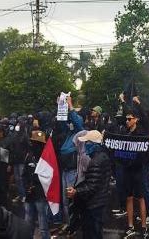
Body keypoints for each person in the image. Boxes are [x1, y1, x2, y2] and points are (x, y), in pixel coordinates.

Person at [66, 130, 111, 239]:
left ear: (94, 144)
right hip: (99, 201)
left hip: (94, 204)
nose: (85, 146)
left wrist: (76, 191)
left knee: (92, 233)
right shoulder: (102, 156)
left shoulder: (96, 161)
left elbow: (92, 186)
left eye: (87, 143)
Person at [119, 94, 149, 238]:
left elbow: (146, 120)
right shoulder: (125, 133)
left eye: (129, 119)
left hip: (139, 170)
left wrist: (138, 104)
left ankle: (144, 226)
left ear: (136, 120)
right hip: (127, 169)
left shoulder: (142, 132)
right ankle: (130, 226)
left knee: (141, 198)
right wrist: (123, 102)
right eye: (126, 119)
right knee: (129, 198)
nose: (127, 121)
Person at [58, 96, 84, 232]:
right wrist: (61, 106)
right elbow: (62, 123)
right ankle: (69, 223)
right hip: (65, 169)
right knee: (65, 200)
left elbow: (78, 125)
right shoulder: (68, 133)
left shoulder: (79, 135)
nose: (72, 123)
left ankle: (73, 225)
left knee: (71, 200)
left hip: (73, 170)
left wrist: (71, 106)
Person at [23, 130, 50, 239]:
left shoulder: (47, 159)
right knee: (28, 222)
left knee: (43, 224)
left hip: (41, 195)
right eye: (34, 142)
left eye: (39, 143)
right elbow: (23, 174)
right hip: (29, 195)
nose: (36, 145)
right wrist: (26, 187)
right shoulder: (29, 156)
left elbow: (49, 177)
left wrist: (37, 185)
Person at [9, 119, 30, 203]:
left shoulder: (25, 136)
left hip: (22, 161)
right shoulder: (14, 136)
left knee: (22, 178)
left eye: (19, 124)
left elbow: (28, 148)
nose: (17, 126)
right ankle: (21, 195)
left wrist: (26, 158)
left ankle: (24, 195)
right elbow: (12, 148)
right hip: (15, 160)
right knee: (17, 179)